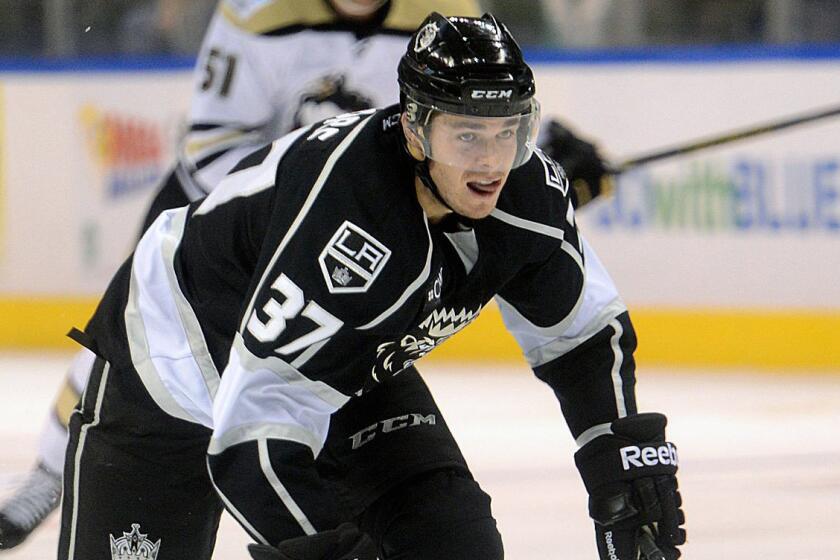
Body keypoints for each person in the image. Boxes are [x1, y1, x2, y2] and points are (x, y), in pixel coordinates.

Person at [55, 12, 685, 560]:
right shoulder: (352, 226)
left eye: (508, 129)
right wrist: (323, 548)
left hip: (338, 364)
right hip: (171, 365)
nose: (491, 162)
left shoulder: (529, 195)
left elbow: (579, 336)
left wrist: (616, 459)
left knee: (450, 541)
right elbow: (255, 431)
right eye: (466, 134)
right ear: (414, 131)